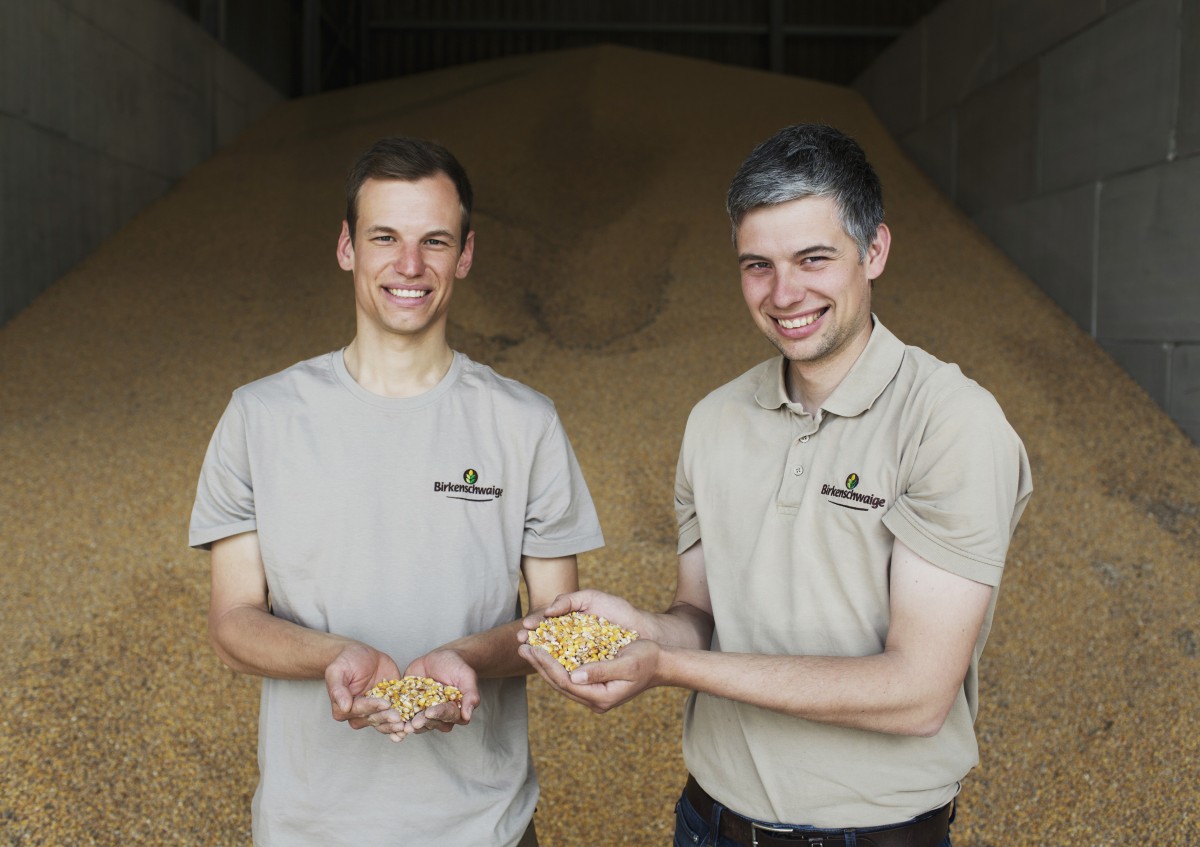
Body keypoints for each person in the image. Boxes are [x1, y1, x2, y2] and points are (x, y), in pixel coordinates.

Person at [519, 124, 1032, 847]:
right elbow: (700, 613)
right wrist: (642, 629)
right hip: (710, 822)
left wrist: (669, 666)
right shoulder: (713, 421)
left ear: (875, 250)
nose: (783, 292)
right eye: (757, 264)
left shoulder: (949, 422)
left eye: (812, 258)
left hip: (871, 834)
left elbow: (917, 693)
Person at [189, 137, 603, 847]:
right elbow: (232, 625)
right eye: (385, 237)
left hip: (486, 828)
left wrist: (467, 658)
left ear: (465, 255)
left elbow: (561, 627)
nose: (409, 266)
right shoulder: (260, 417)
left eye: (434, 241)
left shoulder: (526, 422)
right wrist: (335, 656)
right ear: (347, 247)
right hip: (309, 829)